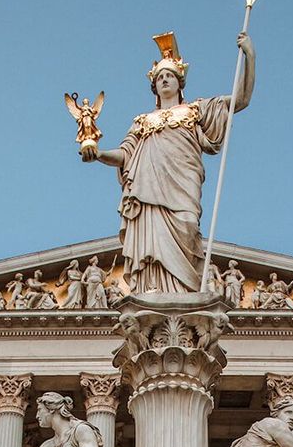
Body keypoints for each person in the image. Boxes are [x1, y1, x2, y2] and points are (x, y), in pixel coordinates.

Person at [82, 31, 255, 294]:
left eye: (169, 76)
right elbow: (125, 155)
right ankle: (154, 292)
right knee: (152, 247)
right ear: (154, 86)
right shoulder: (142, 122)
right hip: (148, 194)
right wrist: (98, 154)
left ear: (179, 83)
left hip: (183, 186)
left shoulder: (196, 111)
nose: (164, 80)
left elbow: (240, 100)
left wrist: (249, 55)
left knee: (187, 225)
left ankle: (183, 294)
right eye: (160, 77)